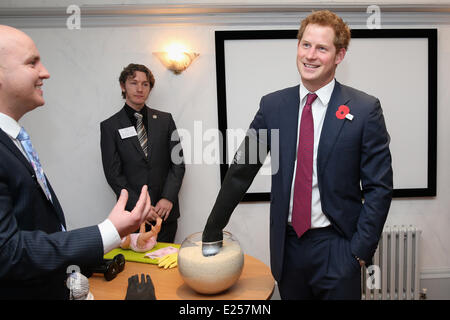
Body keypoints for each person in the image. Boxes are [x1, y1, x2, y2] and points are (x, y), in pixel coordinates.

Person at [202, 10, 393, 300]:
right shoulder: (273, 106)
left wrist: (358, 252)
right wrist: (212, 228)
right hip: (287, 249)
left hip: (338, 248)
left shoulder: (365, 110)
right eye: (305, 44)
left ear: (339, 56)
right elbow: (242, 168)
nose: (310, 55)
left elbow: (379, 188)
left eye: (322, 48)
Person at [0, 25, 152, 300]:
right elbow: (7, 252)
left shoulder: (14, 140)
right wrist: (110, 230)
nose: (45, 72)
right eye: (32, 62)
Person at [100, 64, 185, 243]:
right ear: (123, 86)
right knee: (136, 267)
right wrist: (141, 207)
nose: (139, 89)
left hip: (165, 213)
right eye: (134, 83)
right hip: (131, 215)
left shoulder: (165, 120)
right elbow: (113, 175)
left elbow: (178, 163)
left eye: (145, 84)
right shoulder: (110, 126)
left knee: (165, 264)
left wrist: (168, 198)